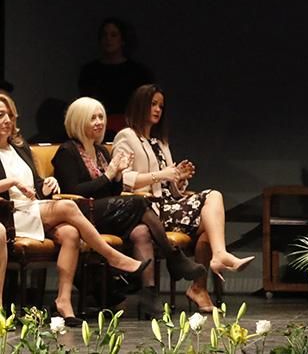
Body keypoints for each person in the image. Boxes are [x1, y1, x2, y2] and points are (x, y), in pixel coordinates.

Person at [0, 92, 150, 326]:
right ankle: (111, 256)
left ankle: (63, 301)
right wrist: (11, 183)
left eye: (9, 115)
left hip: (33, 209)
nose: (6, 120)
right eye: (1, 115)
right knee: (69, 206)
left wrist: (48, 185)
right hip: (10, 213)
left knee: (70, 232)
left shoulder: (20, 149)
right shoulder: (68, 151)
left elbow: (37, 185)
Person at [53, 96, 206, 316]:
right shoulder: (66, 152)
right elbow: (76, 192)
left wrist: (116, 177)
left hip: (102, 213)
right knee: (139, 201)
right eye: (92, 118)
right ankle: (173, 257)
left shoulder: (101, 152)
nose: (99, 122)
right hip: (81, 214)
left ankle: (149, 294)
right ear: (78, 121)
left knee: (141, 230)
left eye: (101, 117)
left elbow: (111, 193)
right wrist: (109, 175)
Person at [112, 84, 252, 313]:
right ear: (140, 105)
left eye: (161, 106)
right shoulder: (126, 136)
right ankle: (219, 258)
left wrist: (179, 180)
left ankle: (202, 282)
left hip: (168, 203)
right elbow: (122, 179)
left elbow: (170, 187)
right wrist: (163, 174)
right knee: (211, 201)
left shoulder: (160, 141)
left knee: (211, 213)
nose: (157, 109)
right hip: (147, 209)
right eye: (153, 104)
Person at [78, 17, 154, 134]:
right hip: (97, 128)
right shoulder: (89, 71)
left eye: (113, 35)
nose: (108, 39)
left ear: (122, 40)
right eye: (104, 35)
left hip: (131, 128)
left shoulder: (138, 72)